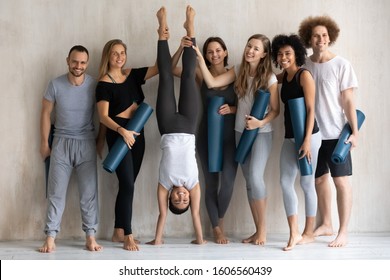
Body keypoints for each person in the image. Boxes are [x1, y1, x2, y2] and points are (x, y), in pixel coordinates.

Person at [195, 34, 280, 245]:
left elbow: (276, 110)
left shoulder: (270, 78)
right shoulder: (238, 71)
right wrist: (198, 56)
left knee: (255, 177)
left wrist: (260, 123)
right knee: (250, 184)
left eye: (256, 48)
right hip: (239, 132)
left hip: (261, 133)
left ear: (264, 54)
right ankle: (256, 230)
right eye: (249, 46)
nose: (250, 51)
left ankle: (263, 231)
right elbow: (212, 82)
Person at [147, 6, 206, 246]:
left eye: (177, 199)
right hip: (190, 125)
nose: (182, 196)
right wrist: (200, 240)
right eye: (185, 199)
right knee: (189, 75)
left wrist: (158, 241)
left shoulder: (164, 184)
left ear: (170, 197)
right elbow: (196, 214)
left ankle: (162, 31)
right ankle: (190, 28)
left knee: (166, 77)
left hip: (168, 124)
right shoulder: (193, 184)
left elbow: (162, 215)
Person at [298, 16, 359, 247]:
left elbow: (348, 100)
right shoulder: (306, 67)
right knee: (319, 181)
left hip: (336, 134)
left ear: (330, 37)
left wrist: (355, 132)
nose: (320, 39)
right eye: (316, 35)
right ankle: (326, 224)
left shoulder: (342, 64)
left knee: (341, 182)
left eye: (324, 35)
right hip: (313, 135)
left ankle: (342, 232)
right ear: (309, 39)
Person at [171, 36, 238, 244]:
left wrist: (233, 109)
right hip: (205, 134)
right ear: (205, 56)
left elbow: (246, 101)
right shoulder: (201, 74)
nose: (214, 55)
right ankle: (217, 229)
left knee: (228, 181)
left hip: (230, 134)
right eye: (209, 52)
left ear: (225, 52)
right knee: (211, 183)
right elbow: (171, 69)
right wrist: (181, 49)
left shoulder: (236, 72)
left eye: (218, 50)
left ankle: (220, 220)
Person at [95, 34, 159, 250]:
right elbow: (103, 116)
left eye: (122, 53)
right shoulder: (103, 83)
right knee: (128, 185)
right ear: (108, 56)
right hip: (120, 135)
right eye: (115, 53)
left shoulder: (132, 75)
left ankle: (117, 231)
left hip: (138, 135)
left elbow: (160, 67)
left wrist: (163, 36)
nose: (119, 57)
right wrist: (122, 131)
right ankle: (128, 235)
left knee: (127, 185)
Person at [39, 45, 103, 253]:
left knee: (89, 193)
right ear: (68, 60)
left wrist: (100, 141)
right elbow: (46, 114)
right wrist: (44, 144)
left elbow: (104, 115)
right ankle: (50, 237)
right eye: (75, 61)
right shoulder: (55, 84)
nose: (78, 66)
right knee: (56, 193)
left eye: (83, 62)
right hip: (61, 143)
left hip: (86, 143)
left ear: (87, 63)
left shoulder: (95, 85)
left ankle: (90, 236)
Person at [271, 34, 322, 251]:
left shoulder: (304, 76)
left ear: (296, 55)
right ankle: (294, 232)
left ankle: (309, 233)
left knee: (306, 183)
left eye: (288, 54)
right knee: (285, 182)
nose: (283, 57)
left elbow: (311, 110)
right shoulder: (284, 77)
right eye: (280, 54)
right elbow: (269, 78)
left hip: (310, 137)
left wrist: (308, 141)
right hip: (290, 138)